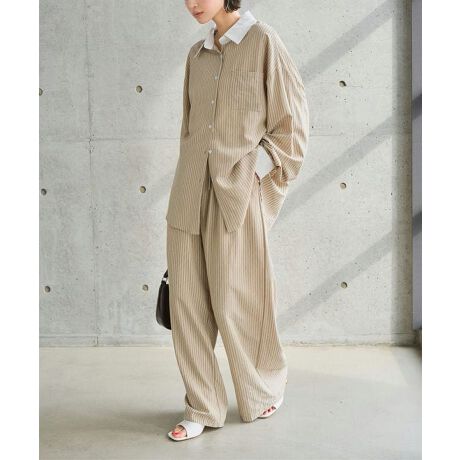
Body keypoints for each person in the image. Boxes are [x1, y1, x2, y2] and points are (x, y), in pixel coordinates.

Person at [166, 0, 310, 441]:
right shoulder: (196, 55)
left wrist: (256, 174)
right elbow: (189, 129)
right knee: (187, 305)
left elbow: (291, 126)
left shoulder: (263, 42)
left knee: (239, 301)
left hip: (235, 193)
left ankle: (262, 387)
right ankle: (202, 405)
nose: (191, 3)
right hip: (188, 192)